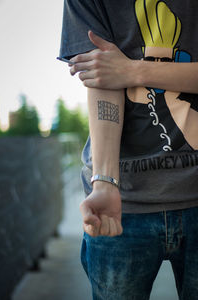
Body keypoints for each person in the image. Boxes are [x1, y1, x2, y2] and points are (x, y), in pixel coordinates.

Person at [59, 0, 198, 299]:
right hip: (122, 204)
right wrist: (105, 183)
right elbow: (103, 77)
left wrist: (133, 71)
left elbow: (115, 72)